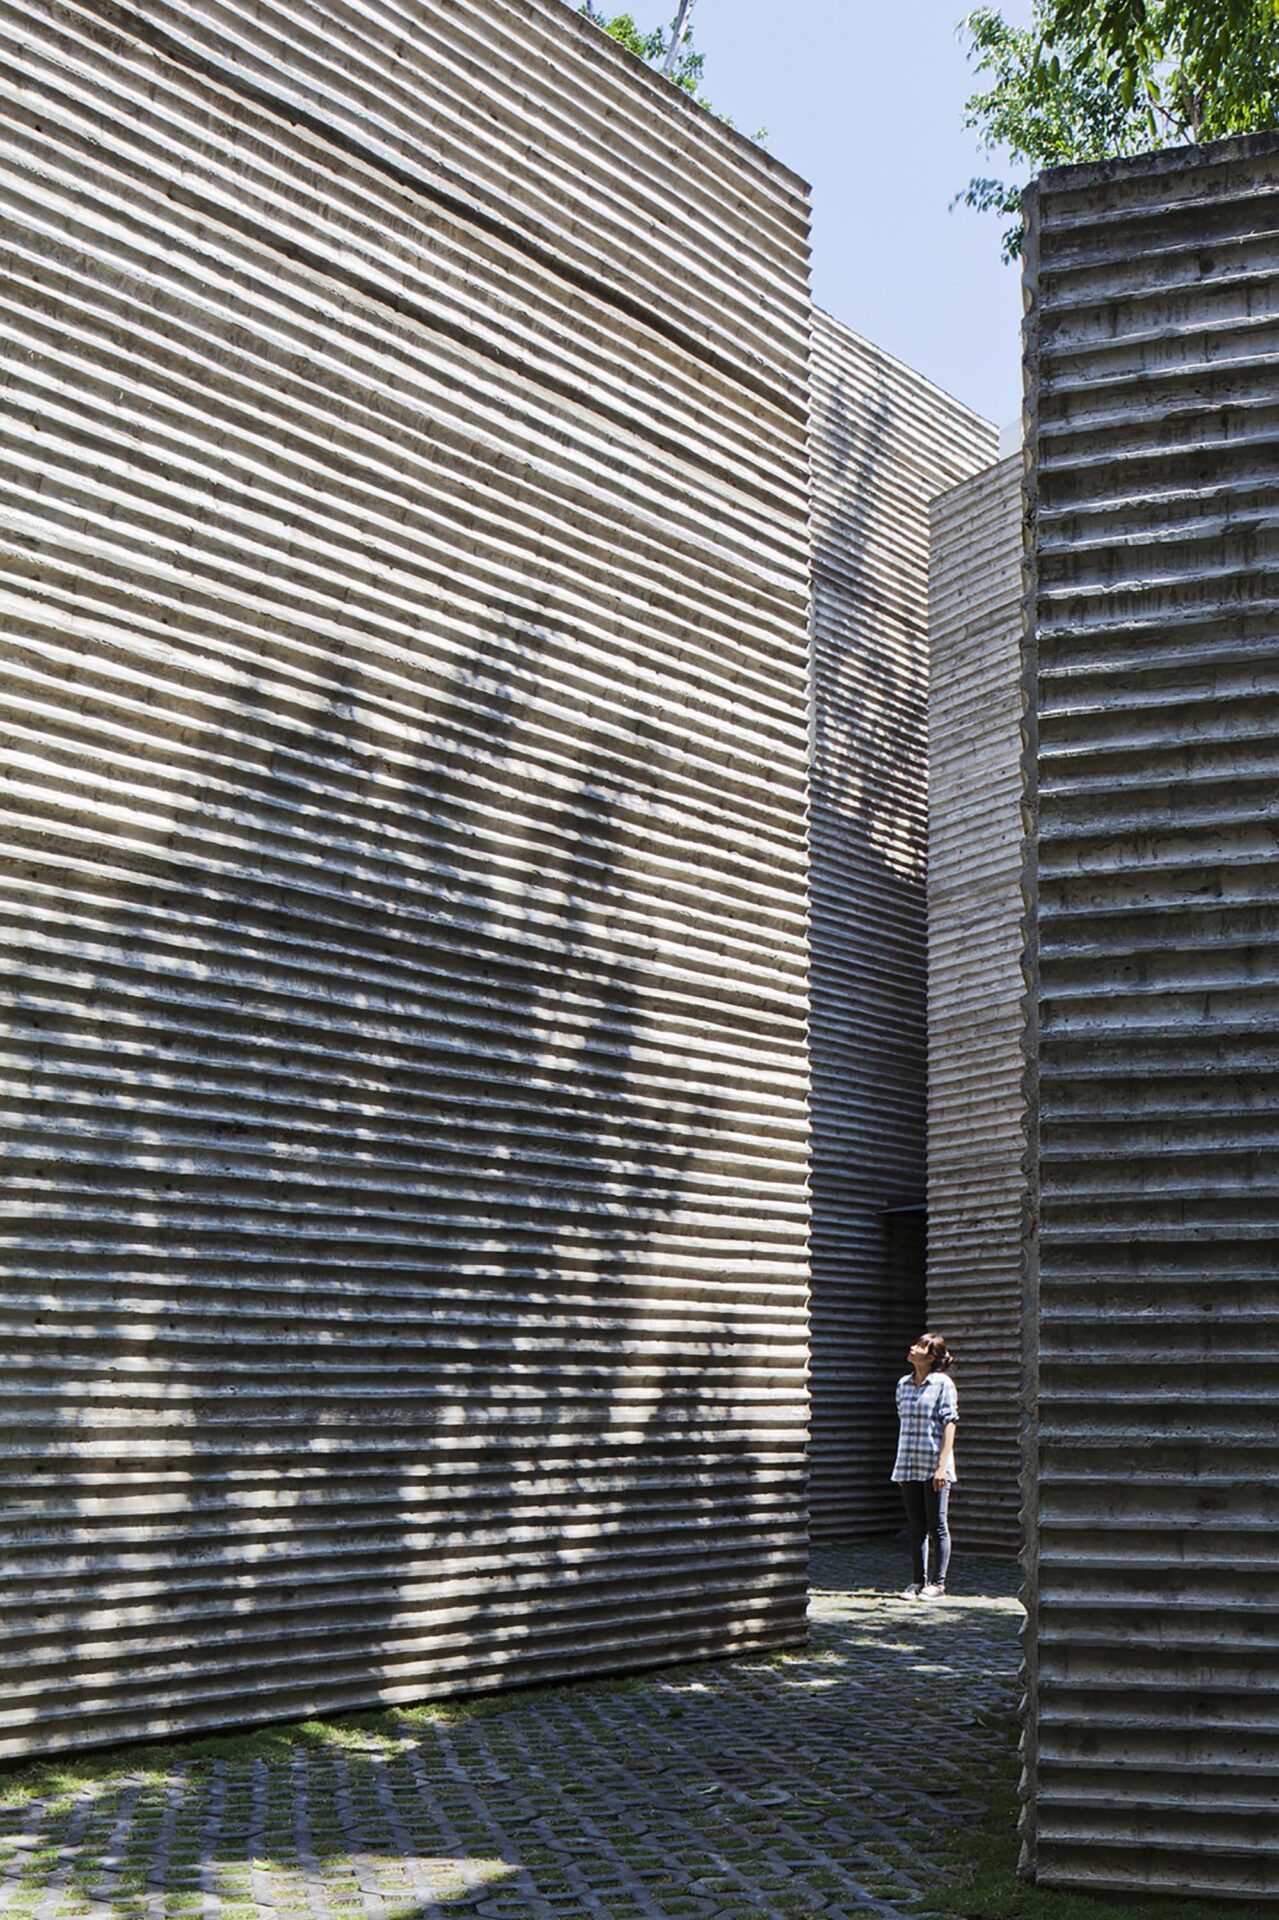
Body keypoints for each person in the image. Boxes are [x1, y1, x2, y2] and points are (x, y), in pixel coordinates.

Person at [891, 1331, 958, 1600]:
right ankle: (917, 1583)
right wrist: (899, 1466)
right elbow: (904, 1425)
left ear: (931, 1357)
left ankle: (938, 1584)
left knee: (937, 1525)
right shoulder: (903, 1384)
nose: (911, 1348)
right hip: (909, 1463)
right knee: (916, 1525)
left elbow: (949, 1423)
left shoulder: (943, 1384)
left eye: (919, 1346)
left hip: (934, 1464)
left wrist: (942, 1466)